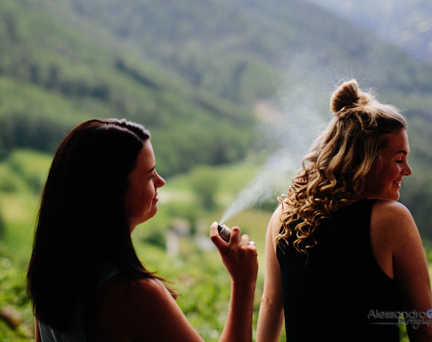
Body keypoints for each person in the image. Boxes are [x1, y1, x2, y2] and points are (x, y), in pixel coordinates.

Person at [27, 118, 258, 342]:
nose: (161, 181)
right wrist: (243, 281)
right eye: (150, 175)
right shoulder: (134, 294)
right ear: (113, 192)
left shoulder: (53, 273)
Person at [257, 80, 432, 342]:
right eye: (399, 159)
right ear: (366, 160)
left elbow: (271, 303)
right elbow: (422, 326)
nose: (407, 171)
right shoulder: (392, 219)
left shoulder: (282, 216)